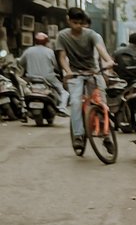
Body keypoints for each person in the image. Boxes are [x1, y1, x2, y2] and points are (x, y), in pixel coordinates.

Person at [55, 8, 116, 153]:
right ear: (68, 20)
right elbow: (62, 57)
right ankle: (78, 135)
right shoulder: (62, 36)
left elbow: (101, 50)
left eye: (79, 23)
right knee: (75, 102)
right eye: (74, 22)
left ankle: (106, 136)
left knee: (101, 103)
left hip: (93, 72)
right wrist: (68, 72)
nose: (77, 26)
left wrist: (108, 61)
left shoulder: (91, 35)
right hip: (75, 74)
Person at [19, 32, 68, 114]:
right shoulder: (49, 51)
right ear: (46, 42)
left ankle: (23, 108)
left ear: (35, 41)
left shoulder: (28, 51)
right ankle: (62, 108)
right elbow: (55, 65)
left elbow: (21, 63)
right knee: (64, 92)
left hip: (31, 77)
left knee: (22, 89)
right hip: (48, 77)